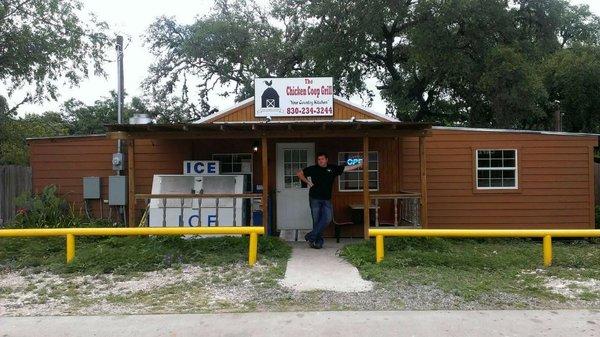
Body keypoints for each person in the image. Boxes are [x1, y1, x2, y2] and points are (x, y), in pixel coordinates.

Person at [296, 152, 363, 249]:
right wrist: (308, 182)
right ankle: (317, 242)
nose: (320, 161)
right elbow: (299, 173)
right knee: (316, 220)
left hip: (326, 199)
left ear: (326, 160)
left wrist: (359, 165)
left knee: (328, 218)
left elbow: (346, 168)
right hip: (314, 198)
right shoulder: (313, 169)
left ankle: (310, 236)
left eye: (322, 159)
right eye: (319, 159)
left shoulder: (332, 168)